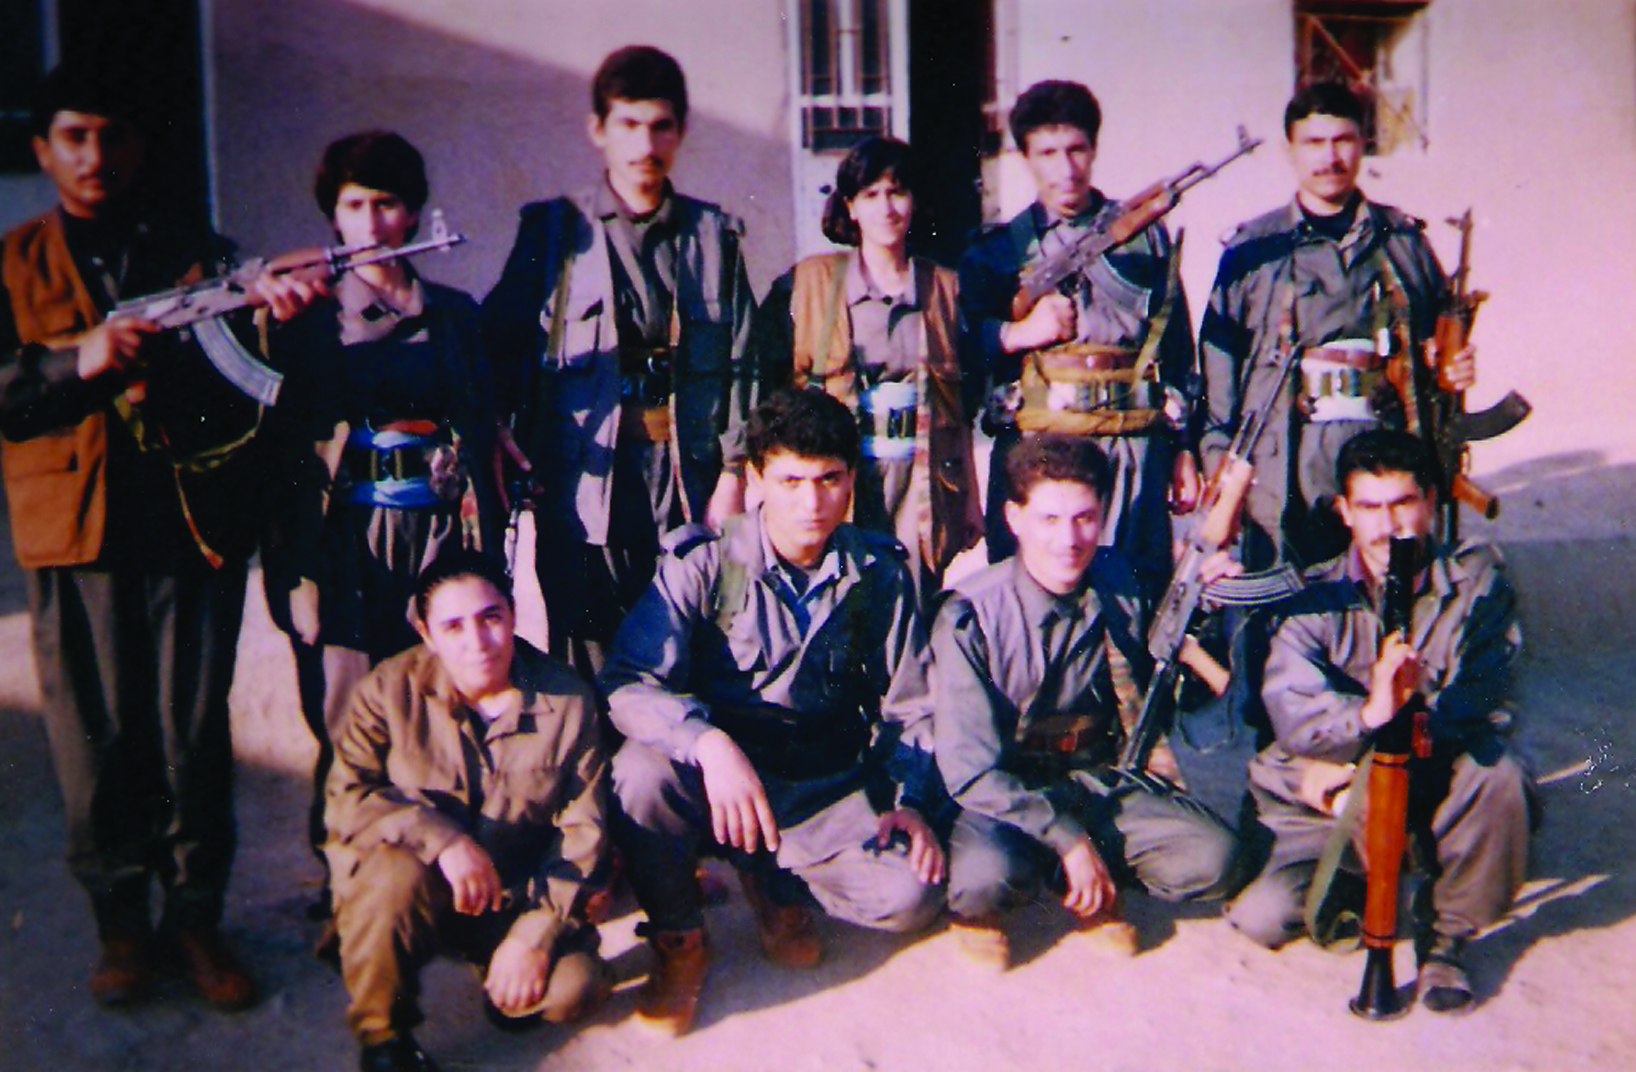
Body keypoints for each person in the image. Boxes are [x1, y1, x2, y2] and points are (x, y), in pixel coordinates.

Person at [0, 66, 323, 1008]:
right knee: (94, 741)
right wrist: (77, 359)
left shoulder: (194, 252)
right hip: (75, 533)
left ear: (139, 147)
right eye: (74, 136)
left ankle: (195, 920)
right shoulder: (12, 263)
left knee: (192, 735)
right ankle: (121, 927)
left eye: (112, 135)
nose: (94, 155)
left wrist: (270, 314)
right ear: (42, 149)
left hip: (187, 525)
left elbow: (247, 380)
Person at [600, 387, 945, 1036]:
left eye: (829, 480)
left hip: (820, 785)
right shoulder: (708, 563)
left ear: (852, 480)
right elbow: (627, 682)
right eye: (790, 481)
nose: (811, 503)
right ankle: (679, 940)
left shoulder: (878, 571)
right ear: (755, 479)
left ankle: (773, 883)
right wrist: (707, 744)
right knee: (640, 775)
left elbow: (912, 706)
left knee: (910, 893)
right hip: (720, 783)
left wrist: (909, 799)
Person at [267, 130, 506, 917]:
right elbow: (284, 453)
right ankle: (348, 881)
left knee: (444, 698)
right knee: (347, 711)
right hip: (347, 540)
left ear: (412, 214)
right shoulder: (307, 322)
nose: (371, 222)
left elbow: (481, 420)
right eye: (354, 205)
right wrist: (297, 572)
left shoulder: (455, 315)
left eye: (387, 203)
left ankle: (446, 870)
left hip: (438, 533)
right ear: (333, 216)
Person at [1225, 430, 1532, 1014]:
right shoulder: (1313, 598)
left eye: (1402, 503)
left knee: (1501, 778)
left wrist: (1408, 729)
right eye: (1369, 507)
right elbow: (1294, 716)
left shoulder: (1478, 585)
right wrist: (1371, 715)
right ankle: (1372, 881)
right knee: (1262, 916)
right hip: (1329, 793)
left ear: (1430, 502)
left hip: (1426, 772)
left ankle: (1447, 937)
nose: (1387, 525)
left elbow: (1492, 700)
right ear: (1344, 511)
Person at [482, 44, 757, 678]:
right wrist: (498, 430)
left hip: (688, 483)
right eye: (628, 124)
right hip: (582, 487)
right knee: (588, 658)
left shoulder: (715, 237)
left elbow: (744, 364)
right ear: (598, 129)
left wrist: (733, 477)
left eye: (661, 126)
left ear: (680, 133)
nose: (645, 145)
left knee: (693, 652)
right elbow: (493, 343)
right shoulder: (554, 231)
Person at [932, 433, 1239, 968]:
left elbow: (1179, 656)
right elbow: (970, 770)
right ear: (1014, 518)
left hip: (1097, 780)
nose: (1069, 539)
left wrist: (1212, 601)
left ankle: (1085, 882)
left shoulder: (1124, 581)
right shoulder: (970, 616)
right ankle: (994, 905)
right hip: (1009, 791)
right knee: (984, 877)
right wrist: (1067, 837)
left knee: (1213, 855)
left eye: (1084, 518)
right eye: (1049, 519)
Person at [325, 550, 609, 1072]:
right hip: (419, 881)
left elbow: (582, 832)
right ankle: (385, 1039)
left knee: (574, 990)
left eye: (491, 618)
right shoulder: (387, 689)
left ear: (513, 614)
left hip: (513, 893)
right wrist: (443, 840)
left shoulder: (569, 701)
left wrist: (533, 935)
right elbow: (349, 796)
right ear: (426, 633)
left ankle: (495, 965)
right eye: (453, 626)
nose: (478, 642)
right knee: (388, 879)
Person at [1198, 82, 1475, 570]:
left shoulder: (1402, 241)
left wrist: (1453, 366)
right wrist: (1218, 453)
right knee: (1282, 586)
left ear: (1363, 143)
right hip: (1283, 454)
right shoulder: (1254, 251)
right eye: (1314, 142)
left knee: (1389, 580)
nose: (1329, 157)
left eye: (1342, 140)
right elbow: (1219, 362)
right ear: (1289, 149)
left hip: (1384, 443)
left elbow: (1436, 341)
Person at [959, 79, 1197, 581]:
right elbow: (959, 349)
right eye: (1048, 153)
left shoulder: (1143, 239)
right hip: (1038, 449)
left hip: (1132, 448)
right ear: (1025, 157)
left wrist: (1184, 450)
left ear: (1093, 149)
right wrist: (1016, 333)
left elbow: (1178, 352)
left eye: (1076, 149)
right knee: (1031, 595)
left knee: (1134, 595)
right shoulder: (998, 250)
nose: (1065, 169)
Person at [756, 136, 982, 603]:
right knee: (840, 596)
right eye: (871, 194)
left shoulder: (943, 289)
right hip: (838, 473)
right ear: (850, 206)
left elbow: (957, 408)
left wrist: (971, 501)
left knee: (912, 598)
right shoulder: (808, 284)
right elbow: (767, 387)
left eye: (897, 192)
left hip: (919, 478)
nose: (886, 207)